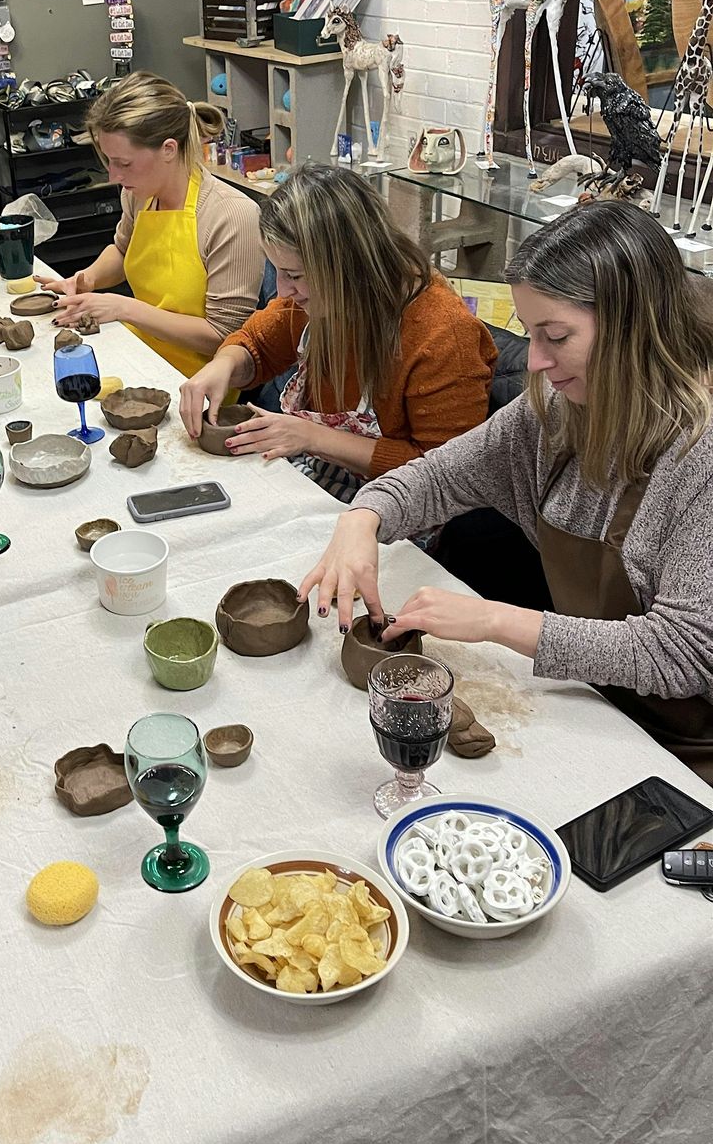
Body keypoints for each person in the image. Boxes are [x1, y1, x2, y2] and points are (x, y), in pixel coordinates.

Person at [299, 201, 713, 781]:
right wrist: (361, 520)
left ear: (633, 325)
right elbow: (439, 475)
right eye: (531, 336)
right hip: (593, 701)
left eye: (558, 337)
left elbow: (682, 653)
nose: (537, 363)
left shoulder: (701, 455)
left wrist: (495, 621)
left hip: (683, 750)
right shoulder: (556, 411)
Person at [179, 164, 497, 501]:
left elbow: (447, 475)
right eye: (279, 272)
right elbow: (257, 345)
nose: (283, 290)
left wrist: (314, 437)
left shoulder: (442, 334)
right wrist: (224, 365)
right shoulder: (323, 299)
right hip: (322, 474)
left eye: (294, 275)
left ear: (349, 264)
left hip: (403, 505)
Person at [37, 71, 263, 378]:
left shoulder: (230, 216)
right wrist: (86, 279)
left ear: (169, 149)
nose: (113, 176)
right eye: (109, 160)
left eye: (124, 163)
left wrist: (124, 308)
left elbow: (224, 337)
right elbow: (122, 250)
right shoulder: (139, 195)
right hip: (141, 353)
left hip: (200, 385)